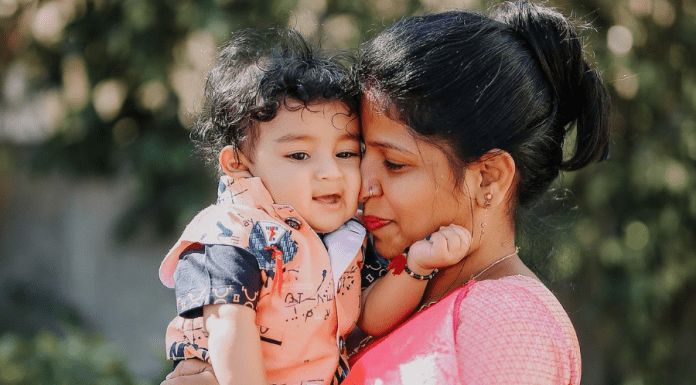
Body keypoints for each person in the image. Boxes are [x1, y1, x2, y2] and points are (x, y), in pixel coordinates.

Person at [162, 0, 611, 383]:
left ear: (488, 177)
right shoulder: (371, 288)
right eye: (360, 156)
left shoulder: (508, 321)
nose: (359, 187)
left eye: (394, 164)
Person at [158, 28, 470, 385]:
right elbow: (228, 325)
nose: (330, 173)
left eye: (346, 153)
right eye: (299, 155)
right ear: (238, 164)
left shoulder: (347, 236)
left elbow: (367, 314)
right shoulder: (231, 233)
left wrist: (416, 267)